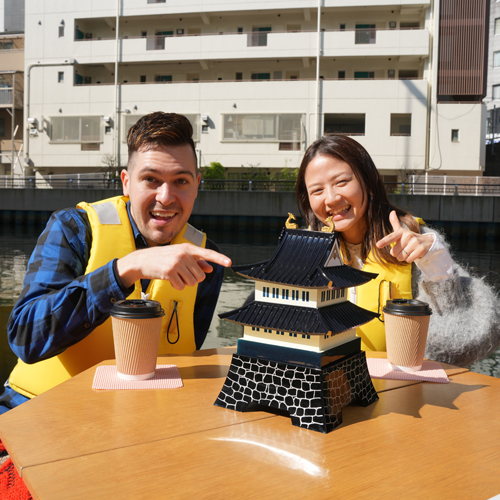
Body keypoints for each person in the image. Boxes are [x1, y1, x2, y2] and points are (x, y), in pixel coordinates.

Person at [0, 112, 231, 414]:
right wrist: (125, 270)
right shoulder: (73, 228)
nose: (166, 196)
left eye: (181, 181)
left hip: (138, 421)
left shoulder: (204, 258)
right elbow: (25, 338)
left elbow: (189, 349)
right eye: (151, 179)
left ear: (197, 186)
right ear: (126, 182)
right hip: (38, 410)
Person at [296, 134, 500, 367]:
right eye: (317, 191)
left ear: (369, 180)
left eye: (341, 182)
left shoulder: (415, 241)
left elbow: (476, 335)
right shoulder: (305, 250)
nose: (331, 199)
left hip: (399, 388)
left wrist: (437, 266)